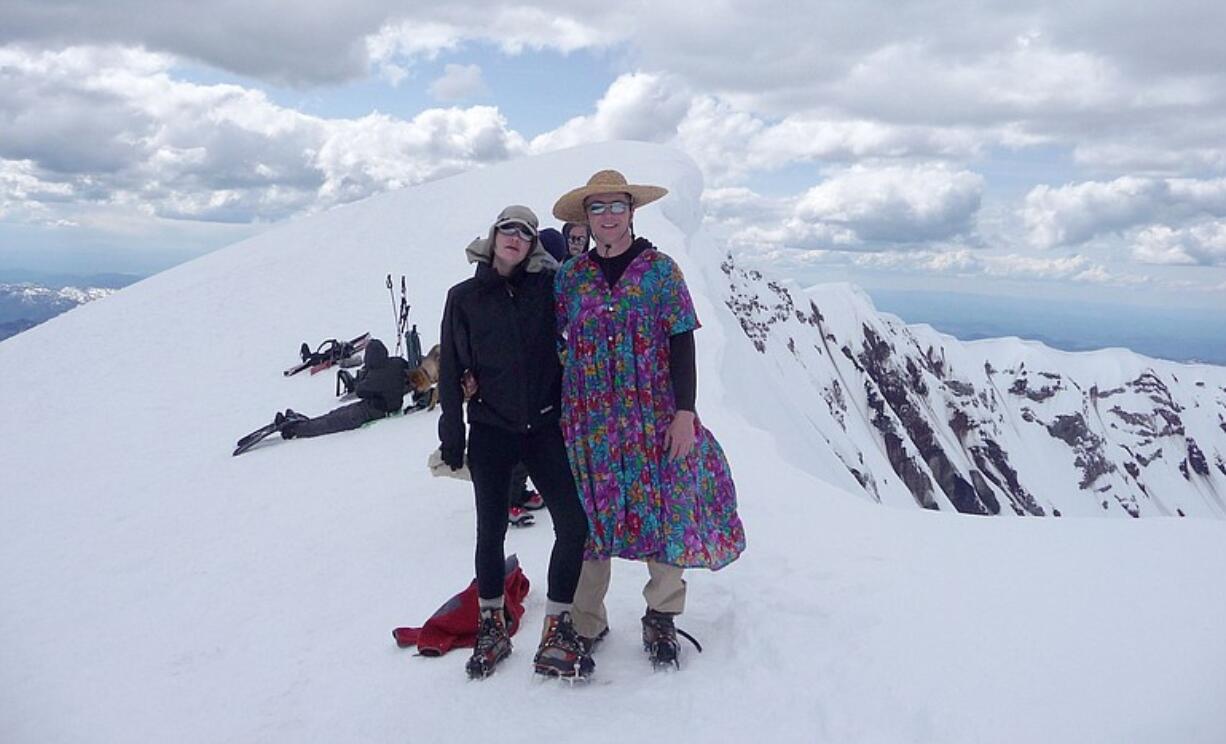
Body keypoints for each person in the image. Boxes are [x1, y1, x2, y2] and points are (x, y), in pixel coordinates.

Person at [552, 170, 746, 669]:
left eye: (617, 206)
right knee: (590, 516)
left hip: (653, 416)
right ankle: (586, 619)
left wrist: (685, 412)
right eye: (598, 208)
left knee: (664, 508)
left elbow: (682, 340)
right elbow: (554, 346)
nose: (609, 216)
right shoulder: (570, 279)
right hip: (590, 419)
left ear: (632, 212)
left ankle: (661, 613)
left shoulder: (661, 271)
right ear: (587, 218)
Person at [437, 205, 594, 680]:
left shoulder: (548, 290)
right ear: (494, 236)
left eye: (526, 233)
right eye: (509, 228)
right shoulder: (463, 297)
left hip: (545, 428)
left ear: (532, 247)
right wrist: (452, 436)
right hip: (490, 430)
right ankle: (491, 625)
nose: (516, 237)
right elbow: (448, 372)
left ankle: (557, 626)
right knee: (490, 531)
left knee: (573, 525)